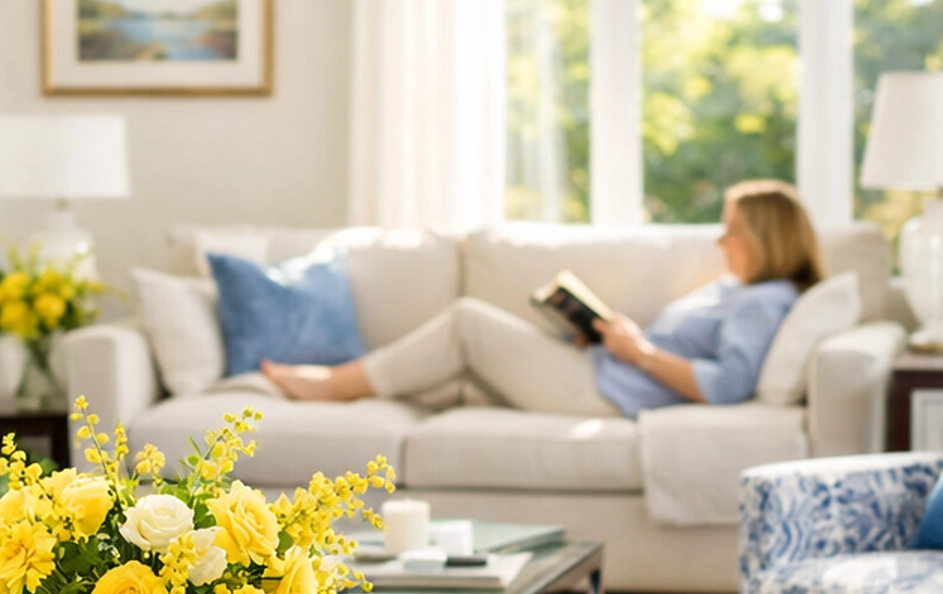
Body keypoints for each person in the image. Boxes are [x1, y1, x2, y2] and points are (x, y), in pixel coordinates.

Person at [262, 180, 824, 420]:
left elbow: (729, 384)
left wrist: (638, 353)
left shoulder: (763, 301)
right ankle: (350, 385)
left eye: (733, 232)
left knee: (467, 326)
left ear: (767, 240)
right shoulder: (736, 289)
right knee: (461, 368)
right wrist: (605, 336)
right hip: (607, 369)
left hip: (610, 391)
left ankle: (335, 384)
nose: (722, 242)